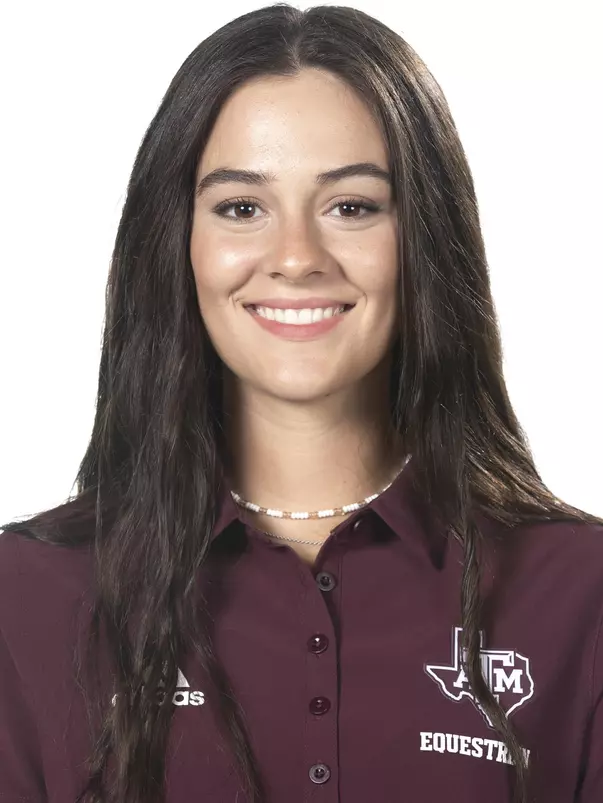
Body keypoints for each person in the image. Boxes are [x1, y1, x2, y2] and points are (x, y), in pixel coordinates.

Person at [0, 4, 601, 803]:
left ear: (423, 235)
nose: (295, 258)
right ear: (175, 240)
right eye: (241, 208)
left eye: (351, 206)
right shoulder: (26, 594)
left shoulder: (580, 591)